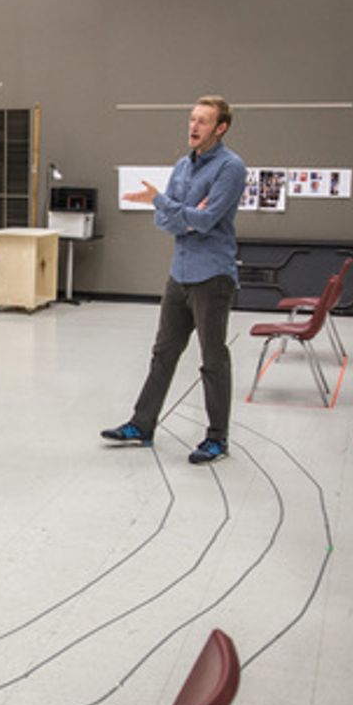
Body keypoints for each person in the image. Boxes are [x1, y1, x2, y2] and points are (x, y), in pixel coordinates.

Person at [102, 96, 245, 464]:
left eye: (203, 121)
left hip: (213, 276)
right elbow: (166, 222)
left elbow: (207, 219)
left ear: (221, 128)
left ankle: (217, 439)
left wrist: (166, 204)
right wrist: (176, 211)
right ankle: (142, 424)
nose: (194, 126)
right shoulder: (183, 165)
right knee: (163, 352)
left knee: (213, 359)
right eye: (192, 119)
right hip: (180, 273)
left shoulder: (231, 168)